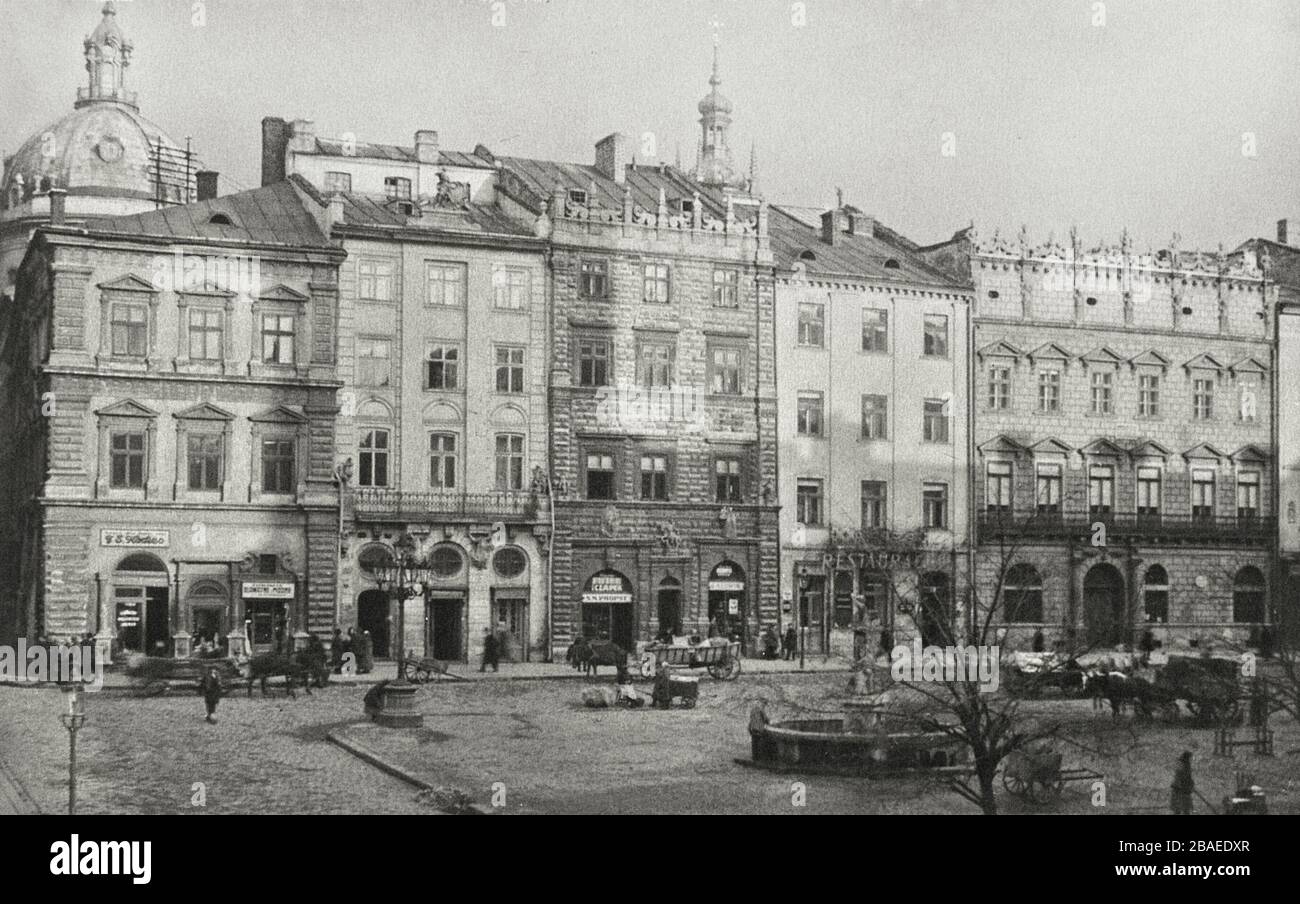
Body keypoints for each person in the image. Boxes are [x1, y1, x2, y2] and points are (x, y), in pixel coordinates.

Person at [1170, 751, 1194, 815]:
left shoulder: (1183, 764)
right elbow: (1181, 777)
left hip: (1182, 790)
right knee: (1182, 809)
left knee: (1182, 809)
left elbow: (1187, 777)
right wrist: (1187, 784)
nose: (1191, 760)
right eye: (1190, 758)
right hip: (1180, 790)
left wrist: (1190, 783)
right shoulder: (1183, 765)